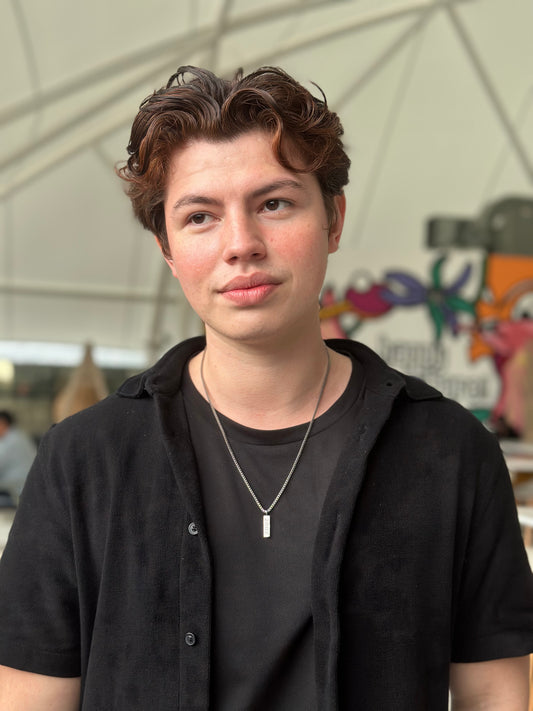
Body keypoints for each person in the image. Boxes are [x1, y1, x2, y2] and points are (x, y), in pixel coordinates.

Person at [0, 66, 531, 711]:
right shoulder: (84, 459)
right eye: (200, 216)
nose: (241, 245)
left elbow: (494, 694)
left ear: (333, 219)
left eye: (274, 203)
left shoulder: (450, 452)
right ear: (167, 248)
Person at [0, 410, 36, 506]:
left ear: (3, 423)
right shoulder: (19, 435)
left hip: (16, 491)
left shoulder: (10, 441)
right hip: (25, 487)